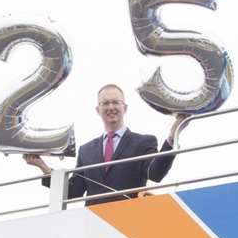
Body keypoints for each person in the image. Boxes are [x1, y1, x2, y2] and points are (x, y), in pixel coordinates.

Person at [24, 84, 178, 206]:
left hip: (131, 222)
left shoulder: (144, 142)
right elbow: (73, 192)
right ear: (98, 110)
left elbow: (155, 174)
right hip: (95, 225)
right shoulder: (86, 150)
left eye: (115, 102)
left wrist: (172, 136)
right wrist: (43, 167)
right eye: (105, 103)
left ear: (125, 108)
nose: (111, 107)